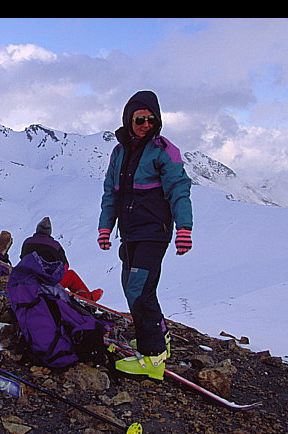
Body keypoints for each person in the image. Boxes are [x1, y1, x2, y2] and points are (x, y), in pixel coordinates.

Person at [98, 90, 193, 380]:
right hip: (130, 233)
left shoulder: (164, 150)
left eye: (152, 119)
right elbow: (110, 193)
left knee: (139, 288)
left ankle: (153, 359)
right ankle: (157, 333)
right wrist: (105, 226)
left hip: (154, 231)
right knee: (131, 284)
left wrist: (184, 228)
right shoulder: (119, 152)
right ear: (129, 119)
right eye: (140, 119)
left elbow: (179, 188)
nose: (146, 124)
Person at [21, 217, 103, 302]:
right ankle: (87, 298)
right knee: (71, 275)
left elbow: (22, 259)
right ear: (49, 232)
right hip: (48, 284)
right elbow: (65, 266)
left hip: (28, 282)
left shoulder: (27, 242)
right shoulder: (55, 245)